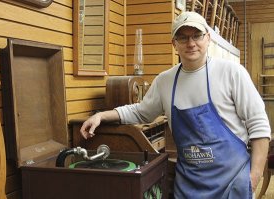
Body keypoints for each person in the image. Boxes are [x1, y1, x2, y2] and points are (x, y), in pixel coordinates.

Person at [80, 11, 271, 198]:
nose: (191, 43)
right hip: (189, 187)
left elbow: (259, 126)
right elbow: (141, 112)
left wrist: (253, 177)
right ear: (174, 43)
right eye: (183, 38)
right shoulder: (165, 81)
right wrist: (102, 115)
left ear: (208, 38)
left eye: (197, 35)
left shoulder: (232, 73)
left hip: (233, 185)